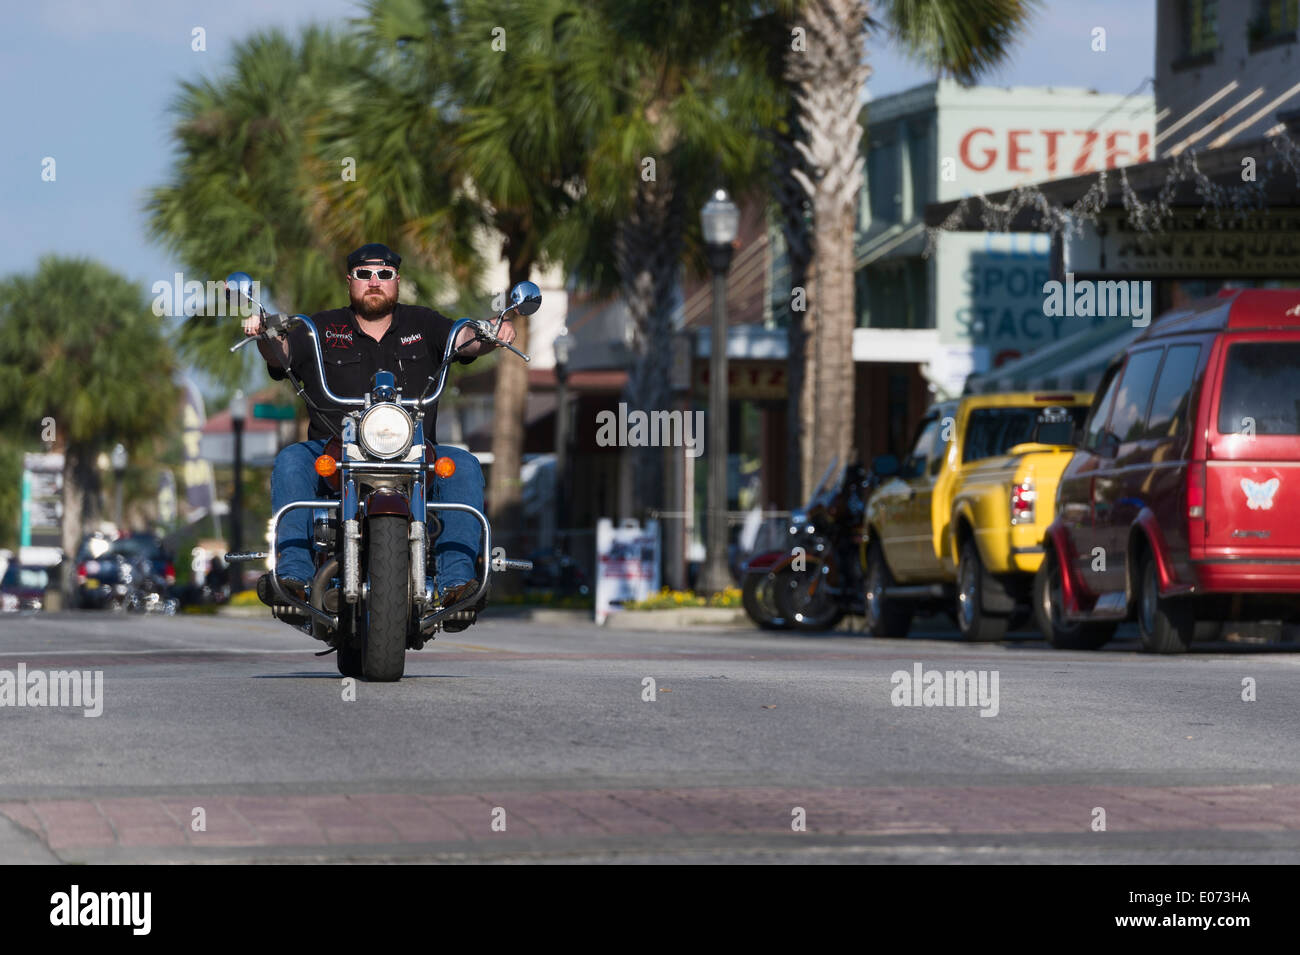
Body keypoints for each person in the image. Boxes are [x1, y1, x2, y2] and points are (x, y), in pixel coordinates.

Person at [244, 243, 516, 631]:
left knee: (464, 465)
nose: (375, 282)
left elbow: (464, 339)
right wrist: (265, 333)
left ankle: (457, 585)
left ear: (397, 281)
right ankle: (294, 579)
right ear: (350, 280)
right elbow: (281, 354)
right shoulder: (318, 328)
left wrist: (491, 331)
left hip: (415, 451)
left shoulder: (424, 324)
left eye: (384, 274)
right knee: (292, 459)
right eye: (364, 274)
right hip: (335, 450)